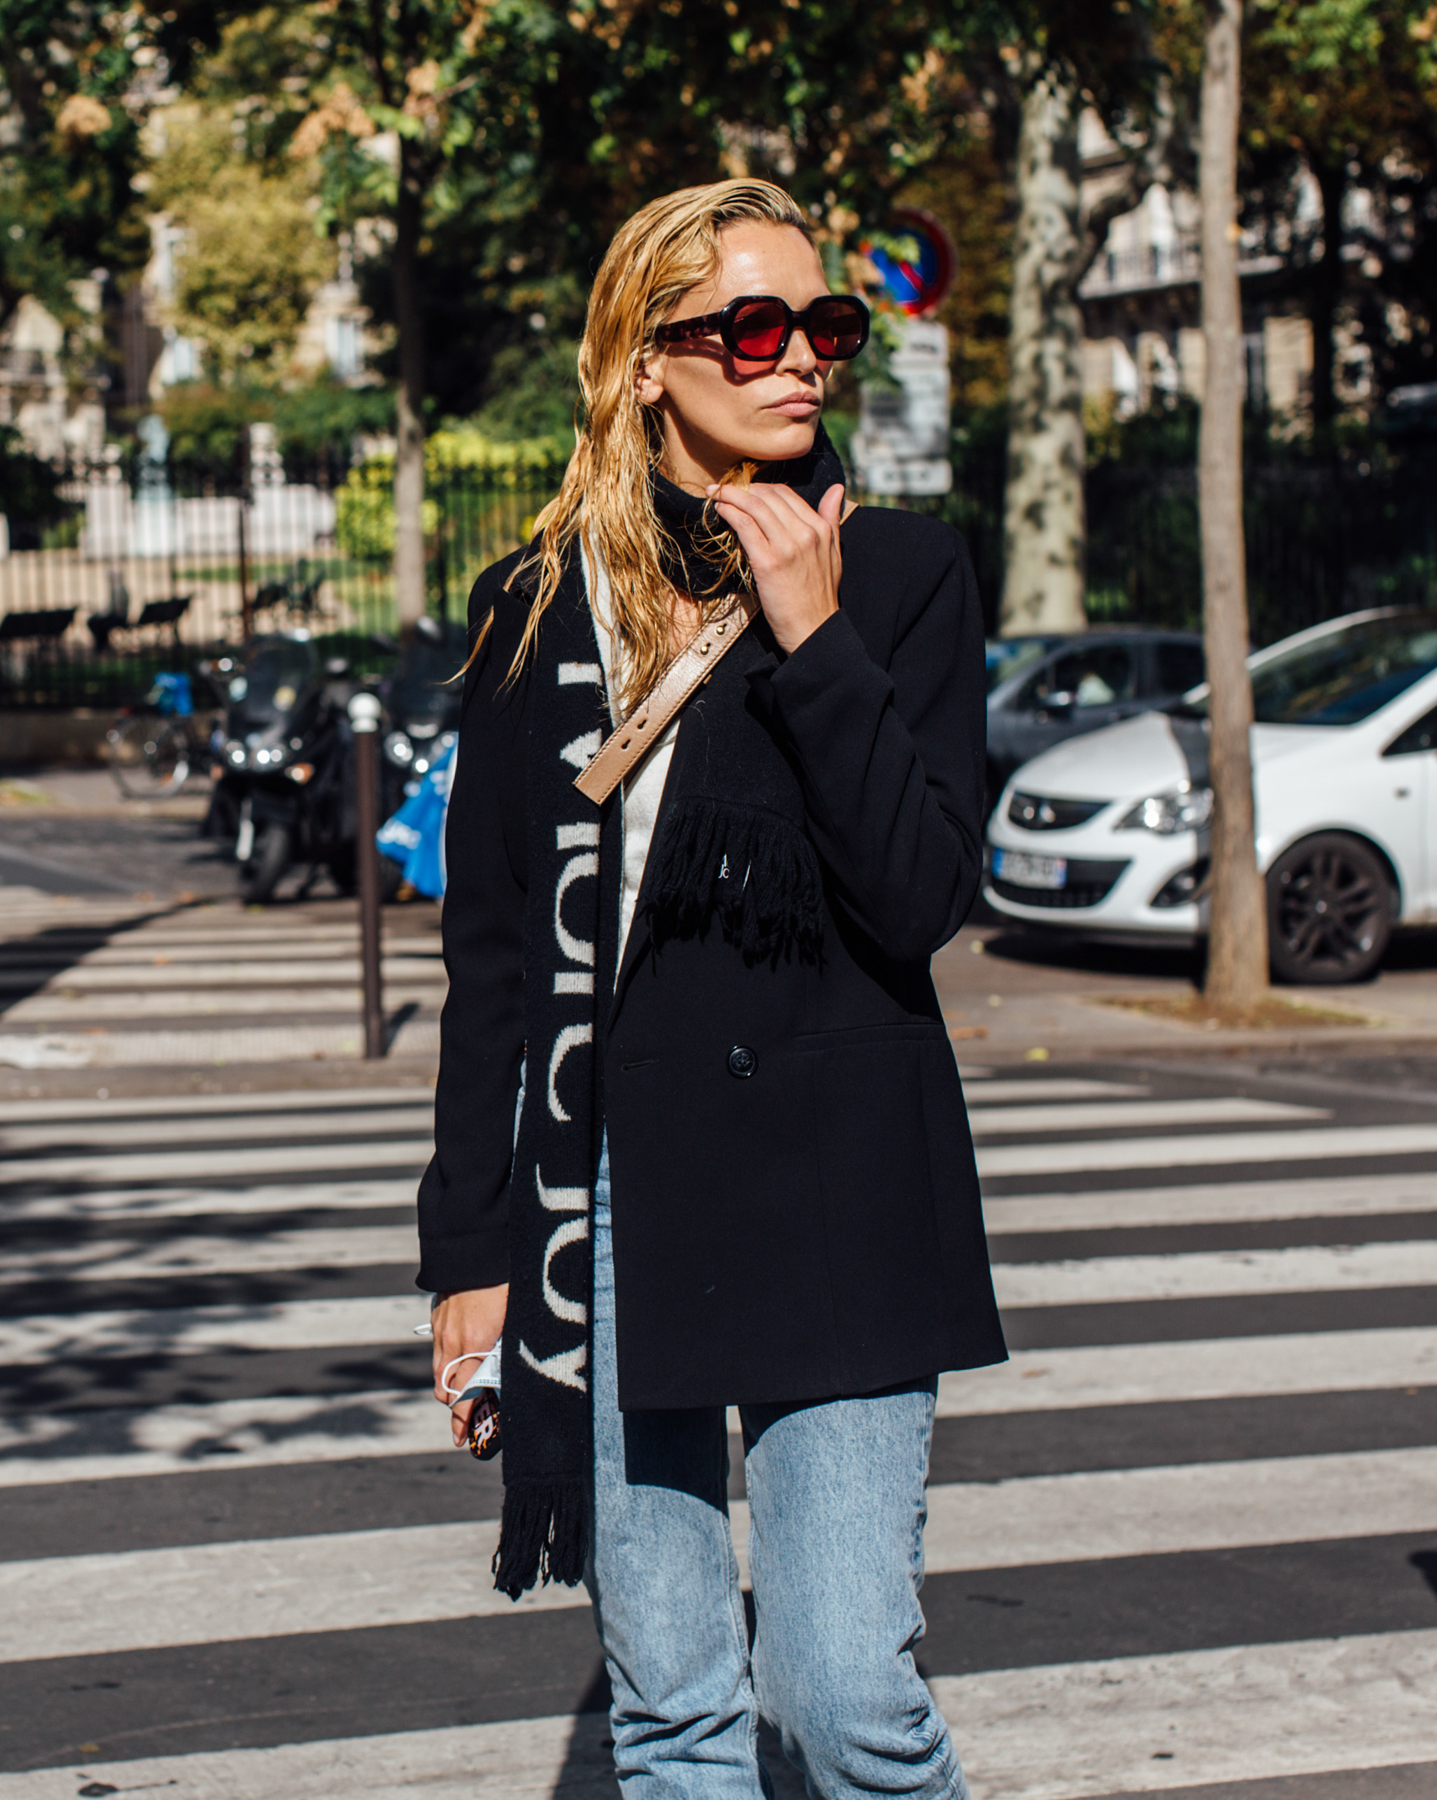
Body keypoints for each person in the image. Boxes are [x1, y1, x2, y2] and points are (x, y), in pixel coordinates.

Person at [417, 178, 1004, 1798]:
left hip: (843, 1181)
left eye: (822, 327)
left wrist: (814, 642)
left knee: (843, 1702)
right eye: (749, 328)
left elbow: (921, 895)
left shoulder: (900, 577)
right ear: (642, 360)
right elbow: (491, 960)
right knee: (671, 1709)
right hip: (597, 1196)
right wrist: (468, 1253)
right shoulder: (545, 609)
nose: (797, 359)